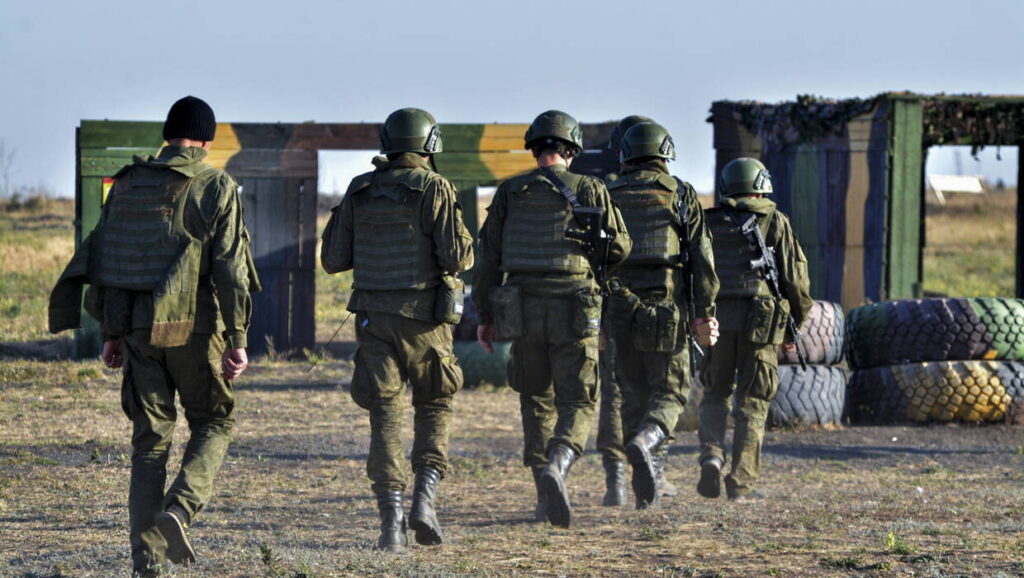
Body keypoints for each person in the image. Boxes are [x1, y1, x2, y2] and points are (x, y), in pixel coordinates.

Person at [49, 95, 260, 575]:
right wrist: (238, 338)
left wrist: (111, 333)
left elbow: (108, 260)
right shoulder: (215, 184)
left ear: (168, 135)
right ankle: (179, 510)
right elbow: (230, 270)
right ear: (206, 140)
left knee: (149, 444)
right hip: (195, 329)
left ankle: (147, 564)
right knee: (214, 422)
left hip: (139, 332)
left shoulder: (125, 186)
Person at [320, 108, 474, 552]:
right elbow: (457, 258)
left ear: (388, 142)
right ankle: (424, 501)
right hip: (425, 322)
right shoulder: (435, 187)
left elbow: (333, 260)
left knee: (384, 414)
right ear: (430, 144)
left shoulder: (360, 189)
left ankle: (391, 523)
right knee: (434, 405)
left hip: (372, 319)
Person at [474, 110, 631, 528]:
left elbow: (487, 260)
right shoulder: (591, 189)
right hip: (574, 307)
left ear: (535, 148)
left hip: (521, 308)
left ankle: (543, 498)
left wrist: (486, 316)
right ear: (571, 151)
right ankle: (558, 465)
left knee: (535, 399)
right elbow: (621, 248)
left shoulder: (509, 192)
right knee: (577, 399)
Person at [605, 121, 719, 509]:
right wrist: (705, 313)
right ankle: (646, 443)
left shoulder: (608, 194)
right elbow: (702, 260)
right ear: (664, 152)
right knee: (670, 391)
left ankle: (648, 485)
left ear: (625, 154)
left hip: (618, 310)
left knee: (632, 395)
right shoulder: (681, 194)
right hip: (667, 311)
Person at [697, 157, 813, 501]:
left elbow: (698, 273)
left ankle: (712, 457)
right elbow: (797, 281)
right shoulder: (775, 221)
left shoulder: (708, 222)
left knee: (715, 392)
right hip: (761, 322)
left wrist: (699, 315)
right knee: (753, 400)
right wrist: (794, 328)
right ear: (761, 184)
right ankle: (741, 481)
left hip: (717, 319)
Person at [595, 115, 651, 507]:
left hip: (613, 301)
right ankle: (647, 476)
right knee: (656, 389)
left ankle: (615, 481)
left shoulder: (602, 190)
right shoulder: (672, 192)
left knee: (613, 393)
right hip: (659, 307)